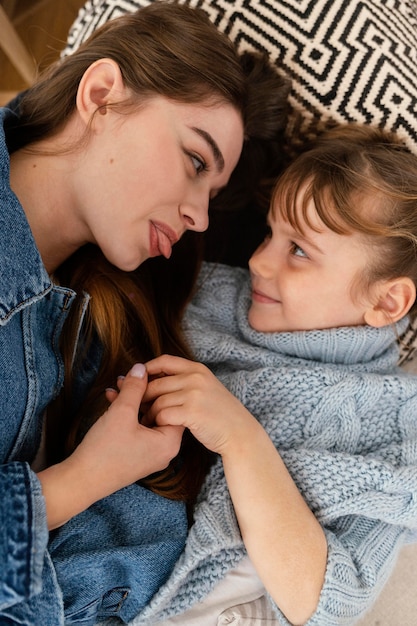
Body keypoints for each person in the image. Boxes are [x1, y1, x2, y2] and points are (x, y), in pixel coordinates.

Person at [0, 2, 291, 624]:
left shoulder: (105, 327)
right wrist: (83, 479)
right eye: (194, 161)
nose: (201, 218)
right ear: (102, 95)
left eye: (213, 194)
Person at [119, 123, 417, 626]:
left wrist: (240, 437)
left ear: (387, 300)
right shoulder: (206, 297)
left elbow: (332, 602)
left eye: (298, 250)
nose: (258, 260)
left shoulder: (396, 418)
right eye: (269, 233)